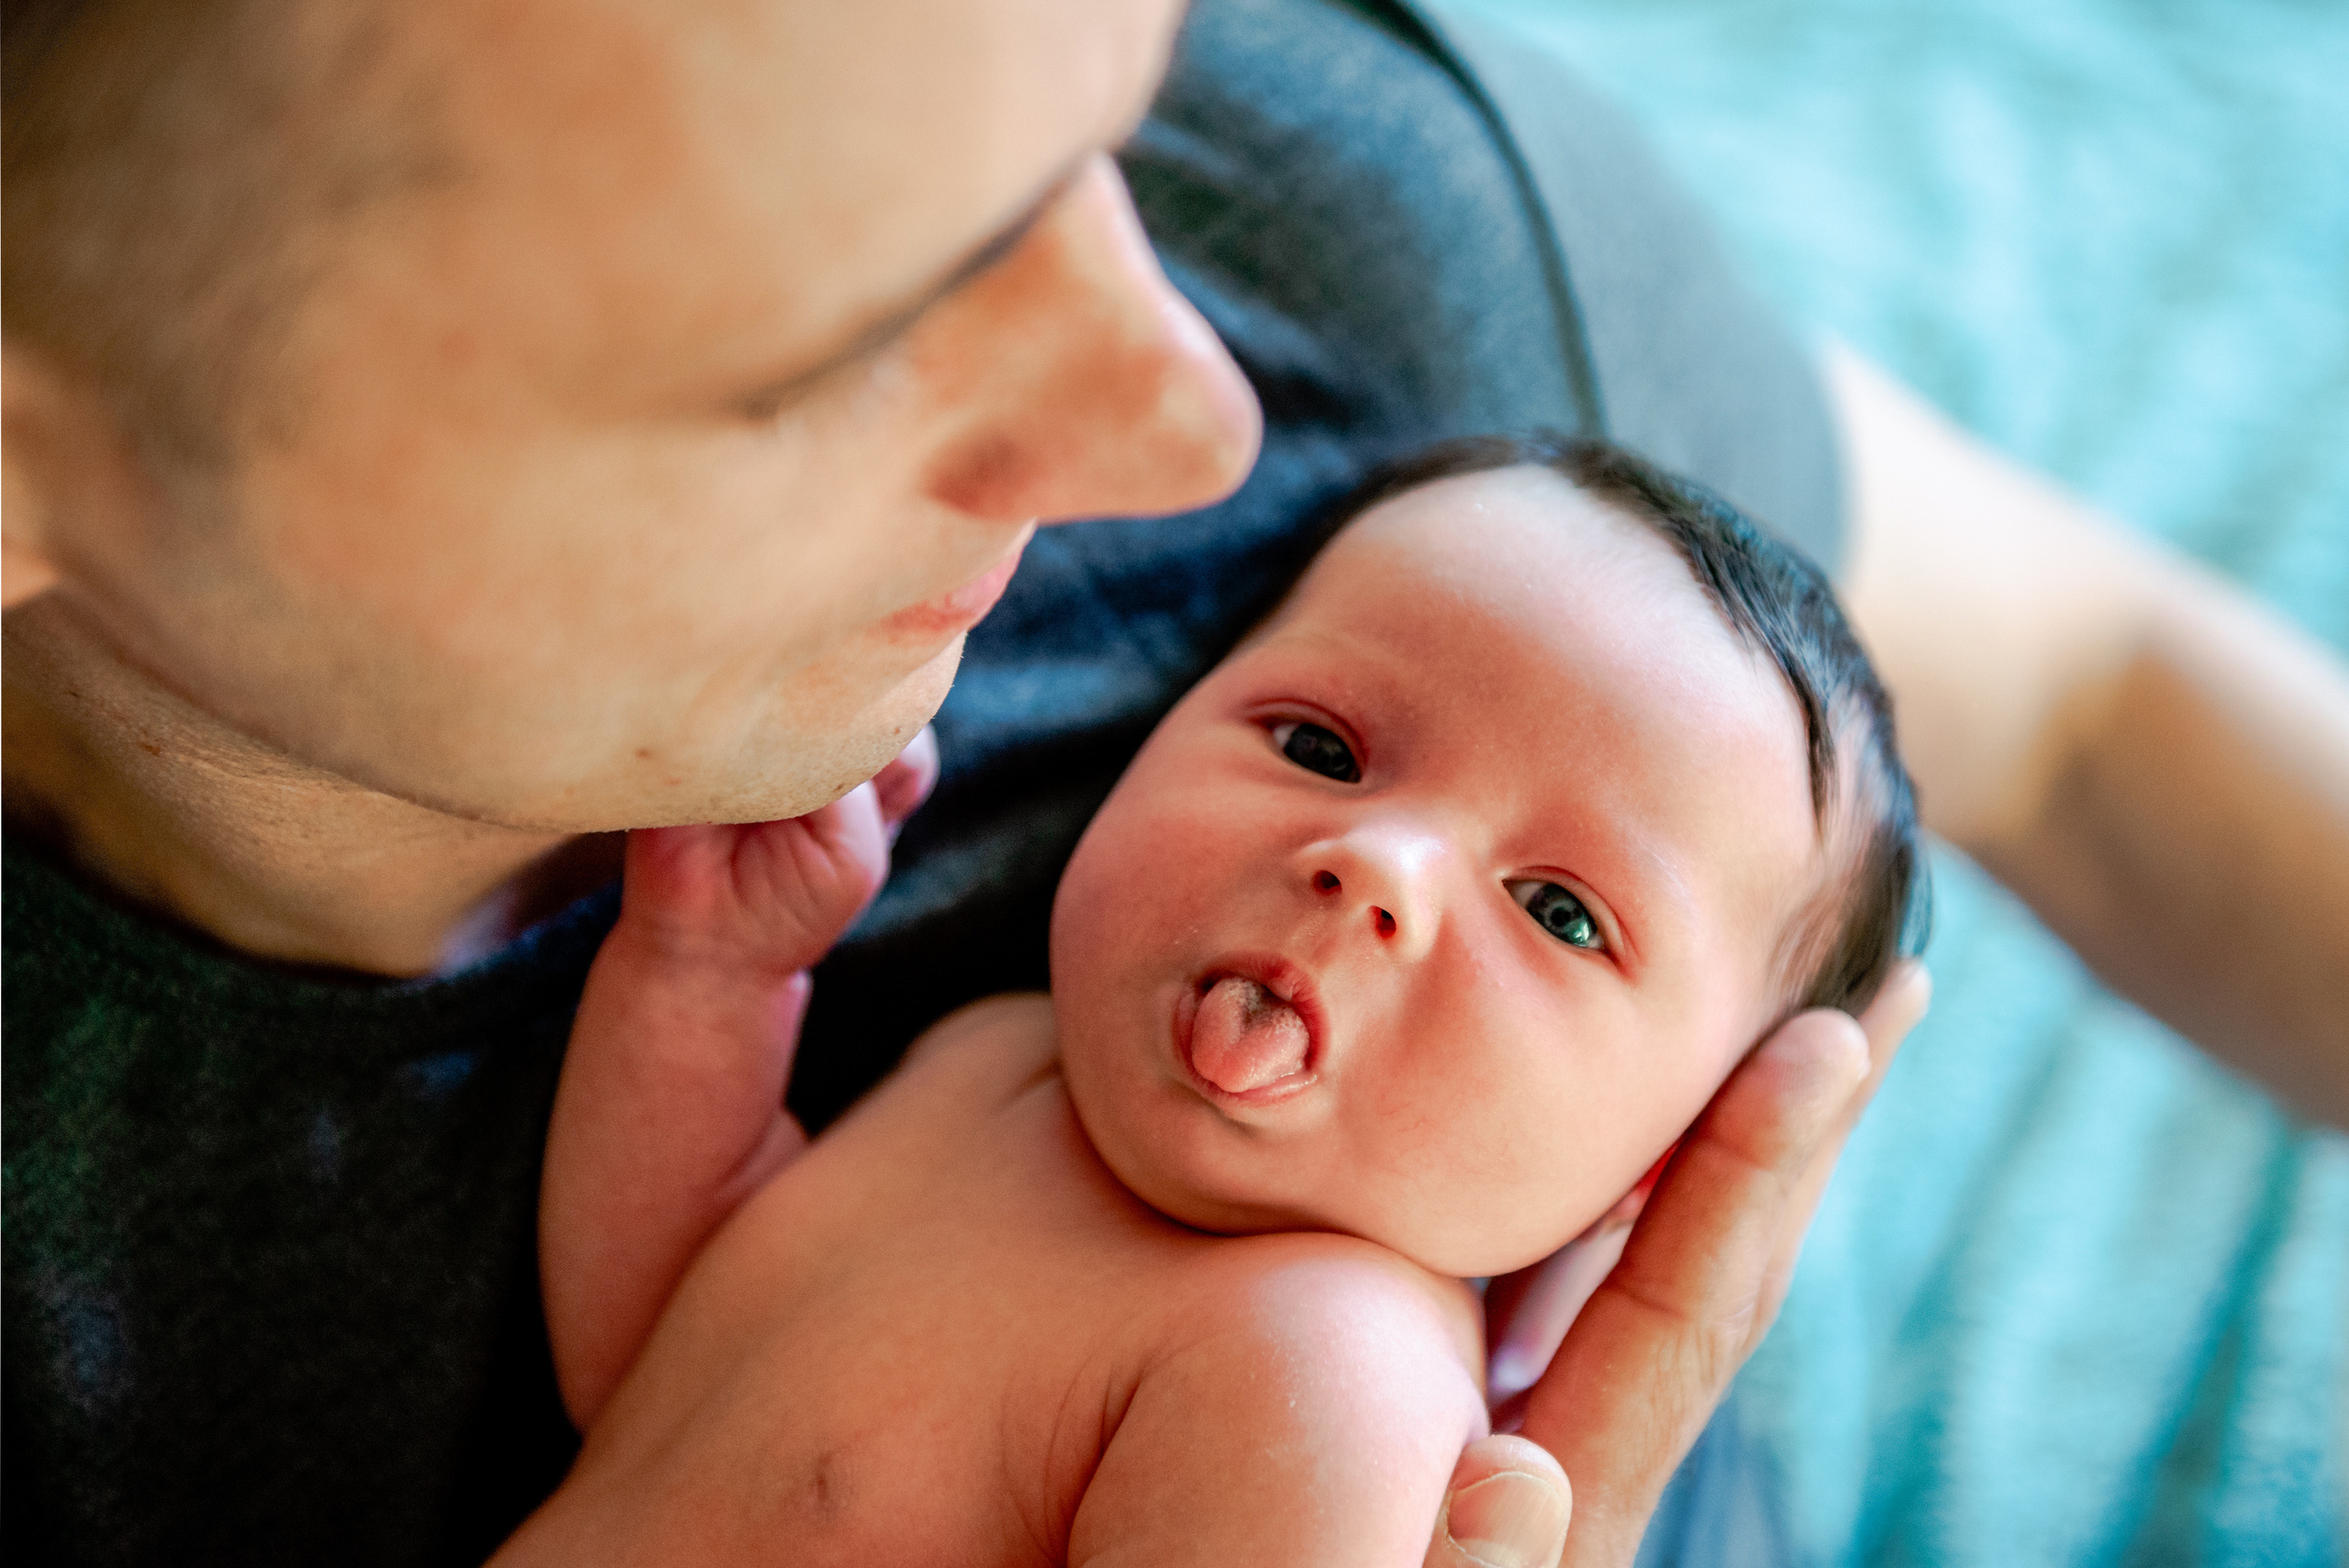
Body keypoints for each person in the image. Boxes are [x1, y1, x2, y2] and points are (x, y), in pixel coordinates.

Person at [2, 0, 2341, 1564]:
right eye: (851, 336)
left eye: (1104, 126)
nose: (1190, 419)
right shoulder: (1006, 1093)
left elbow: (2074, 697)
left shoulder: (1379, 324)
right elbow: (683, 1360)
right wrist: (703, 986)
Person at [523, 437, 1928, 1565]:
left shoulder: (1329, 1374)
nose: (1375, 861)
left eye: (1559, 909)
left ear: (1653, 1172)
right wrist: (704, 978)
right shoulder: (996, 1062)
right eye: (1319, 745)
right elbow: (649, 1374)